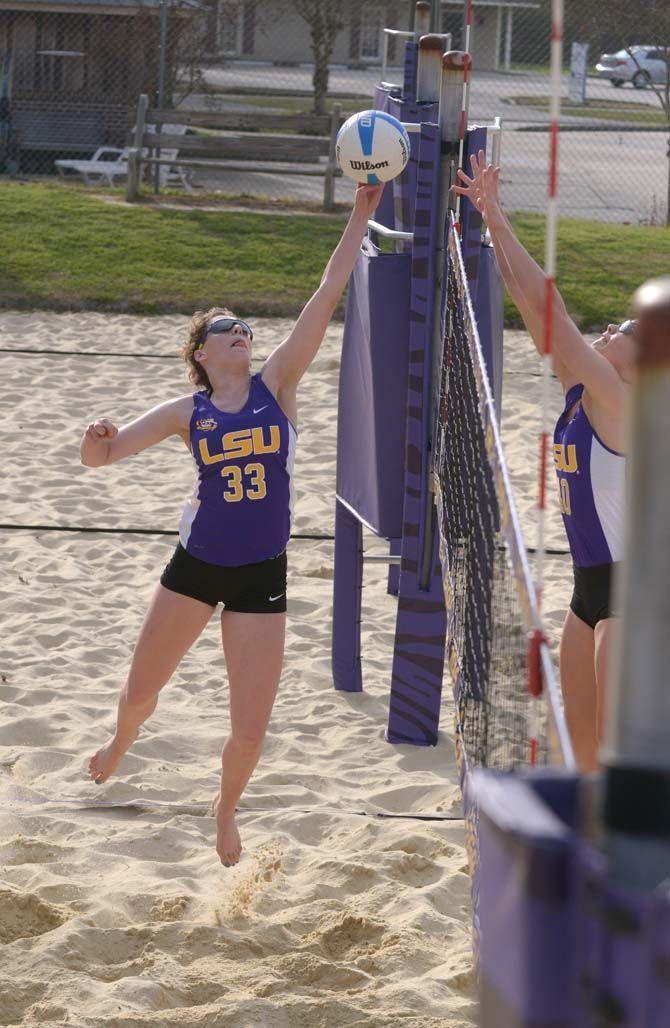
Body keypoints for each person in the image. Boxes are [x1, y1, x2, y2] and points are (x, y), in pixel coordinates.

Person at [81, 183, 384, 865]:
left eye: (245, 326)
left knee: (250, 732)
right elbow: (103, 457)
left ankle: (224, 812)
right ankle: (119, 745)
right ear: (203, 354)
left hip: (260, 575)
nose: (242, 332)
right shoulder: (189, 412)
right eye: (228, 330)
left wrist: (359, 219)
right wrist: (92, 436)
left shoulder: (278, 386)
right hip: (194, 568)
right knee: (140, 694)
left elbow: (324, 297)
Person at [454, 152, 634, 772]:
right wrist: (485, 220)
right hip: (590, 590)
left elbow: (554, 313)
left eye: (625, 328)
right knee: (581, 756)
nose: (611, 327)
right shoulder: (586, 393)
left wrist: (498, 217)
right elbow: (538, 315)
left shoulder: (621, 400)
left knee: (618, 758)